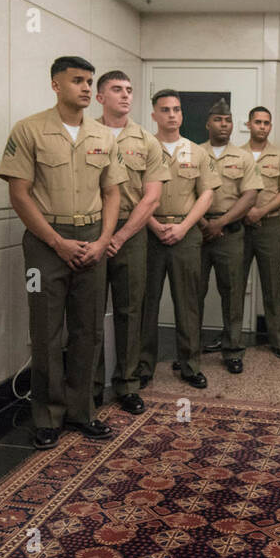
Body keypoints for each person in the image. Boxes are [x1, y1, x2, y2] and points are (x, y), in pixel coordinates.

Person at [0, 56, 126, 449]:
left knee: (88, 330)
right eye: (77, 81)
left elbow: (112, 192)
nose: (87, 88)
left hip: (92, 238)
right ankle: (48, 417)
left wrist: (104, 240)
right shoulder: (30, 130)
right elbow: (18, 194)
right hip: (46, 242)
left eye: (90, 81)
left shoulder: (104, 136)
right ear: (56, 85)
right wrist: (56, 242)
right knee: (47, 331)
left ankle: (82, 411)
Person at [92, 69, 168, 415]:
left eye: (129, 90)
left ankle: (127, 384)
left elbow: (151, 198)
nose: (125, 96)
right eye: (116, 90)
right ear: (99, 97)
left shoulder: (147, 141)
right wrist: (104, 235)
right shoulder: (85, 135)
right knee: (88, 312)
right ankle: (90, 387)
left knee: (129, 309)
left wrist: (120, 236)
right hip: (91, 229)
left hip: (131, 231)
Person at [137, 90, 218, 389]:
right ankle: (143, 365)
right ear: (154, 115)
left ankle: (190, 364)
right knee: (147, 303)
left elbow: (207, 193)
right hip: (148, 234)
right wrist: (154, 225)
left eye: (177, 109)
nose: (172, 115)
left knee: (188, 303)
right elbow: (134, 194)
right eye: (165, 110)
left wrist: (184, 227)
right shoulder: (142, 149)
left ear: (182, 114)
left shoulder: (197, 152)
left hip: (186, 234)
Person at [197, 100, 261, 373]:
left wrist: (220, 222)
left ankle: (233, 349)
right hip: (197, 232)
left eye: (228, 120)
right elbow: (184, 192)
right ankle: (189, 352)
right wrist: (202, 222)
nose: (224, 124)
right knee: (192, 293)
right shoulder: (193, 153)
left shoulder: (243, 157)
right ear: (208, 123)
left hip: (231, 233)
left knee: (233, 293)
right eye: (219, 119)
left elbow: (250, 195)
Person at [242, 106, 280, 358]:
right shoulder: (236, 155)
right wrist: (243, 213)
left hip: (270, 226)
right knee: (233, 285)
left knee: (272, 285)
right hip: (239, 227)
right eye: (258, 122)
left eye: (266, 123)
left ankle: (278, 340)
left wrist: (260, 211)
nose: (262, 126)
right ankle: (230, 339)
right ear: (249, 124)